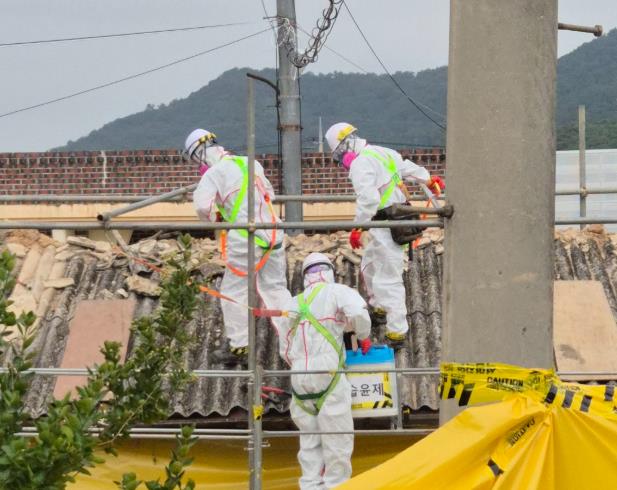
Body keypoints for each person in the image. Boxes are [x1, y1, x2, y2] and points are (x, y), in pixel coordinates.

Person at [324, 122, 445, 349]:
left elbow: (368, 199)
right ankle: (379, 308)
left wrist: (358, 227)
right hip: (391, 221)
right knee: (369, 266)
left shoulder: (360, 164)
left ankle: (397, 332)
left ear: (343, 148)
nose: (341, 161)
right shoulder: (381, 152)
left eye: (339, 155)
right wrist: (428, 179)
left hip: (386, 224)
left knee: (388, 280)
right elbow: (407, 167)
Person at [185, 128, 291, 366]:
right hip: (273, 234)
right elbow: (270, 195)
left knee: (234, 290)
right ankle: (294, 336)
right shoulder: (250, 163)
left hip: (246, 237)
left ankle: (240, 346)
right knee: (275, 289)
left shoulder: (213, 174)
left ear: (199, 154)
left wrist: (216, 218)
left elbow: (203, 208)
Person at [279, 252, 372, 490]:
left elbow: (284, 347)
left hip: (300, 376)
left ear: (305, 276)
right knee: (337, 438)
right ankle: (336, 486)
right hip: (328, 372)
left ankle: (310, 485)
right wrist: (363, 334)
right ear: (328, 272)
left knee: (309, 442)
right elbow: (358, 312)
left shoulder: (293, 303)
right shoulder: (337, 291)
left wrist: (299, 364)